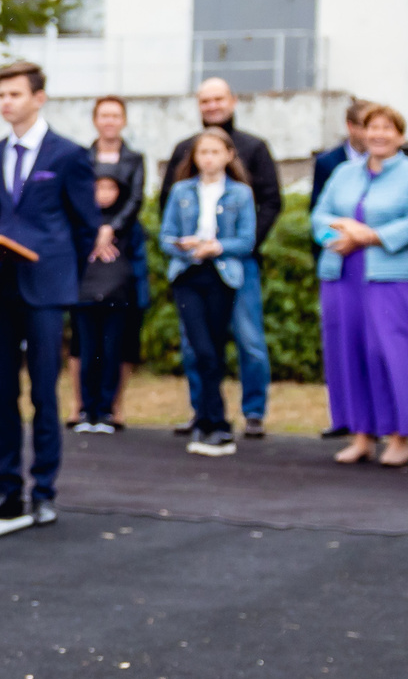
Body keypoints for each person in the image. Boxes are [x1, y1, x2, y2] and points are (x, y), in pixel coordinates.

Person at [0, 60, 94, 525]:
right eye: (1, 95)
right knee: (4, 389)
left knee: (44, 390)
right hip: (1, 285)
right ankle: (7, 486)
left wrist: (65, 276)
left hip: (46, 287)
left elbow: (86, 225)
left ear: (38, 98)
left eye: (14, 94)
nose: (5, 102)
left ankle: (44, 489)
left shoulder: (68, 154)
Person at [314, 102, 408, 467]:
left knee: (390, 353)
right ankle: (361, 436)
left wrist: (369, 236)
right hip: (342, 272)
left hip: (390, 275)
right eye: (372, 127)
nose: (378, 134)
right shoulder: (344, 173)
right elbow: (319, 217)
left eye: (387, 128)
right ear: (361, 133)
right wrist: (342, 235)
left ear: (400, 135)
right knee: (347, 352)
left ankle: (399, 438)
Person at [160, 78, 280, 440]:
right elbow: (167, 206)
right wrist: (186, 245)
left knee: (249, 340)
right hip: (193, 267)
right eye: (205, 100)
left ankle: (253, 412)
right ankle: (203, 411)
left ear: (232, 100)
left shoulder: (254, 147)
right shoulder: (184, 149)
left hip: (237, 265)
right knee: (196, 344)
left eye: (218, 99)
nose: (212, 106)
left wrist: (233, 246)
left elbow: (271, 202)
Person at [158, 128, 258, 456]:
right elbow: (166, 236)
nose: (209, 159)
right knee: (199, 348)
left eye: (215, 152)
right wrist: (186, 247)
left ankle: (212, 422)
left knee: (214, 349)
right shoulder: (181, 191)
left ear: (229, 155)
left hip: (222, 275)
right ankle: (212, 420)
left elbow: (246, 240)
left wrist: (216, 246)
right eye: (203, 152)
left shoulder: (241, 193)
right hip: (189, 274)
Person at [69, 94, 145, 433]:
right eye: (104, 115)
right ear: (95, 119)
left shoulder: (135, 159)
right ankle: (82, 406)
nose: (110, 121)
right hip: (86, 253)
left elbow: (136, 199)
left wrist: (110, 230)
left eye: (116, 115)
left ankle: (111, 407)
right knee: (84, 342)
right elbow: (73, 196)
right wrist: (93, 230)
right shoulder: (81, 157)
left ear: (123, 120)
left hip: (120, 248)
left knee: (116, 341)